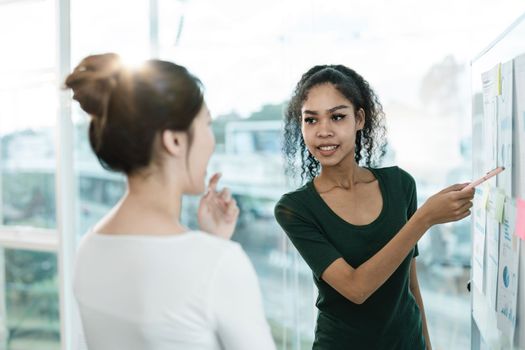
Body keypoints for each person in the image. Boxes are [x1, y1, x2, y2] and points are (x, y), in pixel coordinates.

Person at [66, 53, 276, 350]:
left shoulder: (88, 248)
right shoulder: (220, 265)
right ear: (175, 140)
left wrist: (213, 242)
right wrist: (215, 251)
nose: (211, 141)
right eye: (206, 125)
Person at [274, 65, 475, 350]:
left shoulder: (400, 184)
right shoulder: (295, 209)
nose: (324, 131)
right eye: (311, 120)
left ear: (359, 119)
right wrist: (424, 219)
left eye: (337, 116)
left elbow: (410, 286)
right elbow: (356, 289)